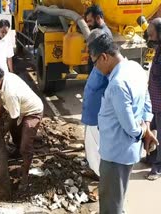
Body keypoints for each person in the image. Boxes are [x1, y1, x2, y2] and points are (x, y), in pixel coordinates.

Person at [87, 29, 158, 214]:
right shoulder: (134, 67)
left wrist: (142, 131)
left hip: (115, 154)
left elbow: (130, 127)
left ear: (104, 57)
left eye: (94, 62)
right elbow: (147, 101)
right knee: (118, 197)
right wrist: (148, 126)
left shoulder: (118, 83)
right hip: (126, 153)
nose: (95, 68)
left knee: (111, 205)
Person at [0, 65, 44, 190]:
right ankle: (17, 150)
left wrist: (1, 132)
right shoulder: (7, 77)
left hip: (33, 112)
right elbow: (5, 105)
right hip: (21, 109)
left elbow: (13, 117)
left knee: (25, 146)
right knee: (15, 131)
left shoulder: (10, 92)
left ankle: (25, 176)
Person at [81, 4, 112, 176]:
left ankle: (98, 171)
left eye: (91, 22)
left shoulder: (103, 36)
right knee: (92, 139)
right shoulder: (100, 34)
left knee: (96, 140)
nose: (89, 25)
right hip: (94, 104)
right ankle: (95, 167)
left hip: (98, 106)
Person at [145, 17, 161, 180]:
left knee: (160, 135)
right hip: (154, 101)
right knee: (152, 132)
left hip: (160, 103)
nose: (149, 39)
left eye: (152, 35)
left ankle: (158, 167)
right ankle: (151, 157)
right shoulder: (159, 49)